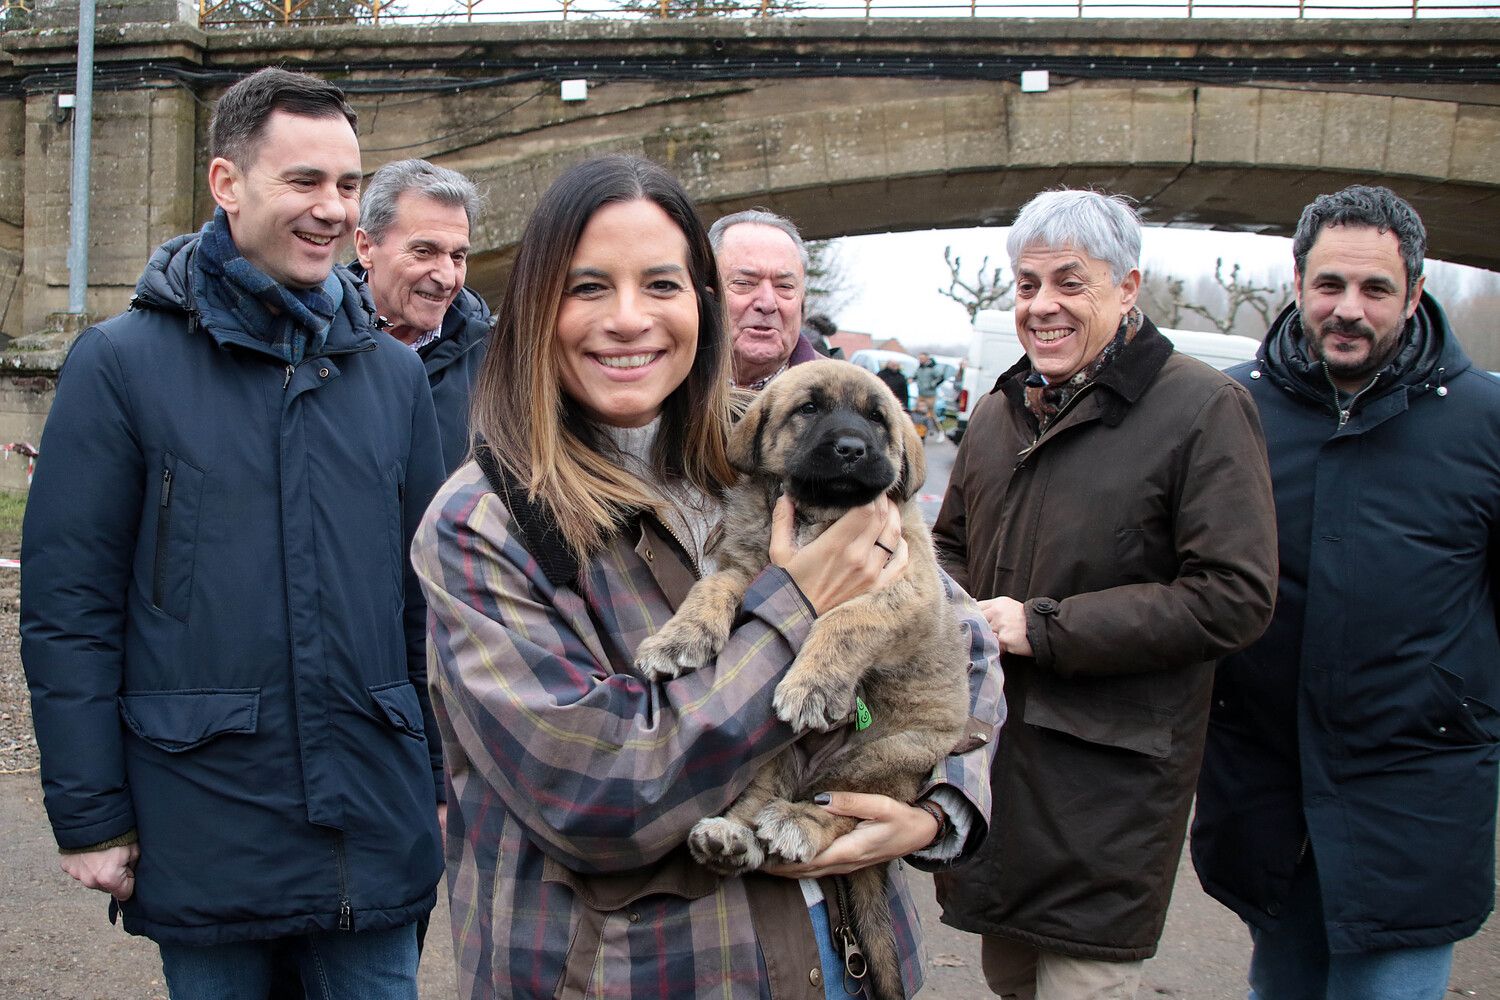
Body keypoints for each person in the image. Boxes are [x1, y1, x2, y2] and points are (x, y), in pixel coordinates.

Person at [410, 154, 1005, 1000]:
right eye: (586, 288)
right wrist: (795, 609)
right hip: (643, 975)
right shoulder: (485, 524)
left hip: (843, 963)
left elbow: (965, 640)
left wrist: (937, 804)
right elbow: (596, 795)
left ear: (701, 305)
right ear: (536, 307)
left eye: (661, 285)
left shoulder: (773, 447)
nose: (628, 319)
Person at [20, 68, 445, 998]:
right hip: (206, 821)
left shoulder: (392, 378)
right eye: (305, 182)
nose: (332, 210)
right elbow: (70, 612)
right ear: (226, 183)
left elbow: (423, 603)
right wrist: (90, 816)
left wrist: (438, 779)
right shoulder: (121, 365)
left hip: (369, 833)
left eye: (346, 186)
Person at [931, 188, 1279, 1000]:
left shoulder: (1203, 409)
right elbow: (949, 545)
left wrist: (1041, 628)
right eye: (1026, 285)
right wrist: (940, 606)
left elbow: (1234, 595)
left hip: (1106, 803)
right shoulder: (999, 412)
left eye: (1069, 283)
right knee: (1010, 980)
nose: (1042, 306)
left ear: (1128, 288)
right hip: (997, 778)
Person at [1191, 185, 1500, 1000]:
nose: (1348, 310)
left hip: (1419, 803)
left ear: (1415, 293)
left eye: (1375, 289)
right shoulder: (1229, 412)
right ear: (1298, 285)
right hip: (1267, 798)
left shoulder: (1486, 424)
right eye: (1330, 286)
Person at [352, 158, 490, 475]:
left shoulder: (494, 364)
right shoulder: (311, 345)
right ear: (366, 247)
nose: (446, 277)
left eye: (457, 256)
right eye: (423, 251)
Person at [708, 208, 821, 389]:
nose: (767, 303)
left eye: (784, 286)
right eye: (744, 283)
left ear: (802, 301)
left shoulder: (847, 401)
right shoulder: (662, 389)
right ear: (708, 293)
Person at [913, 352, 947, 441]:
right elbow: (915, 376)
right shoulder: (919, 368)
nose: (920, 360)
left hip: (930, 395)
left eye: (922, 358)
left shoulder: (932, 368)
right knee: (916, 412)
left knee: (931, 414)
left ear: (927, 359)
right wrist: (912, 379)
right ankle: (918, 432)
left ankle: (941, 432)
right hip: (921, 394)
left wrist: (933, 384)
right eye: (919, 358)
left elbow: (941, 377)